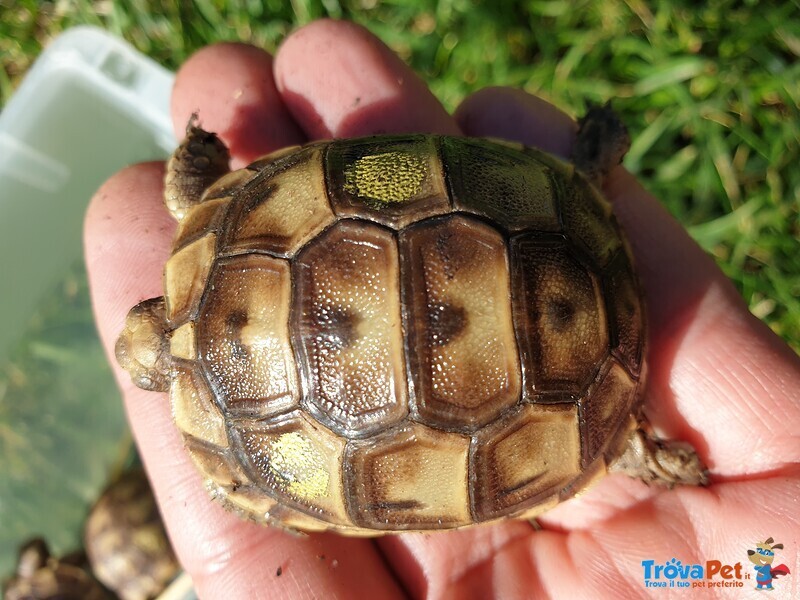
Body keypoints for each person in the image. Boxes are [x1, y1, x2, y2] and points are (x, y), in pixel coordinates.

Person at [85, 19, 800, 599]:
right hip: (532, 230)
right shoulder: (224, 224)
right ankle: (584, 180)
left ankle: (622, 445)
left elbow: (271, 499)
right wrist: (200, 163)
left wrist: (262, 500)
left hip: (553, 377)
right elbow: (199, 187)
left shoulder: (248, 461)